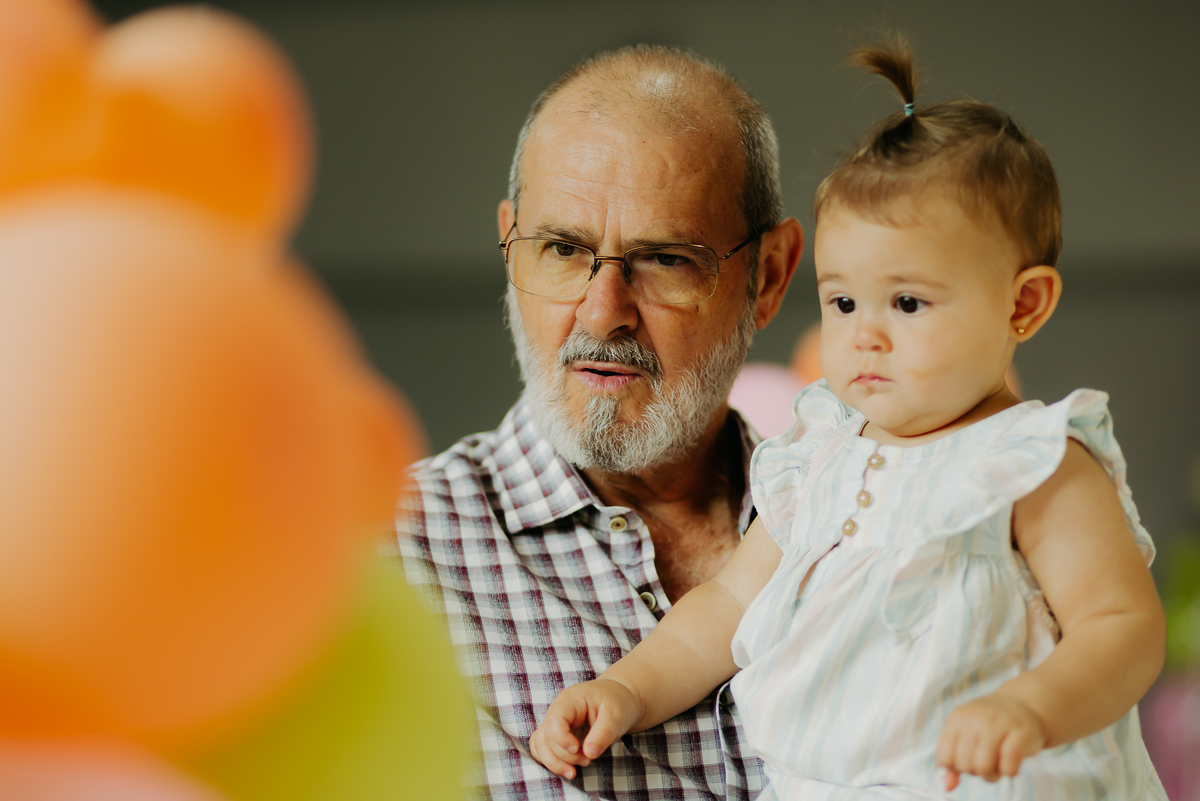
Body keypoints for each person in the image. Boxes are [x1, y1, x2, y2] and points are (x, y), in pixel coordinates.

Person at [530, 41, 1167, 800]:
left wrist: (1034, 707)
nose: (865, 334)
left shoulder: (1031, 461)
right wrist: (627, 690)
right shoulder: (822, 454)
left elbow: (1122, 626)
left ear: (1022, 305)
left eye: (907, 302)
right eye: (842, 301)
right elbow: (726, 608)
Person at [394, 45, 804, 799]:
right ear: (510, 247)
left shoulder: (860, 524)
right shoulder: (381, 565)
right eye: (562, 249)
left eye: (666, 259)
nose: (602, 312)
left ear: (769, 276)